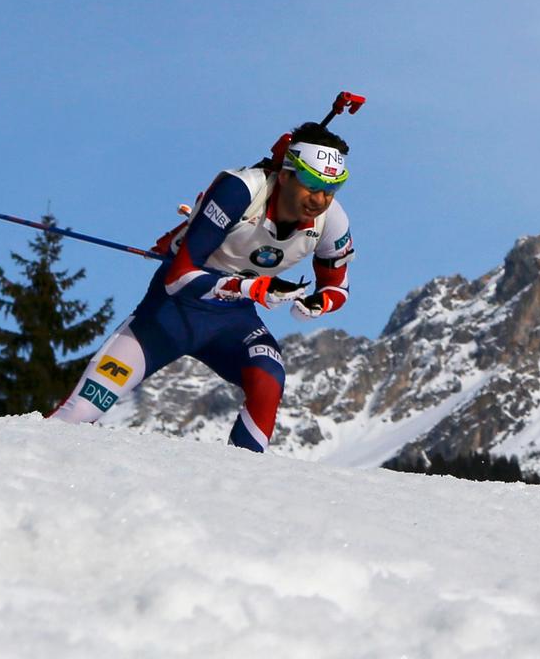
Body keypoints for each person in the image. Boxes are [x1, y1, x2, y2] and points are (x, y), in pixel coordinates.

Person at [47, 123, 356, 451]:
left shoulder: (332, 220)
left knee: (269, 378)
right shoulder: (240, 191)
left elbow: (338, 286)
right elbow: (178, 278)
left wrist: (318, 304)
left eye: (332, 187)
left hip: (233, 323)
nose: (320, 198)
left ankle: (241, 480)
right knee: (78, 413)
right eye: (311, 183)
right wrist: (251, 288)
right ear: (285, 174)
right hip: (168, 317)